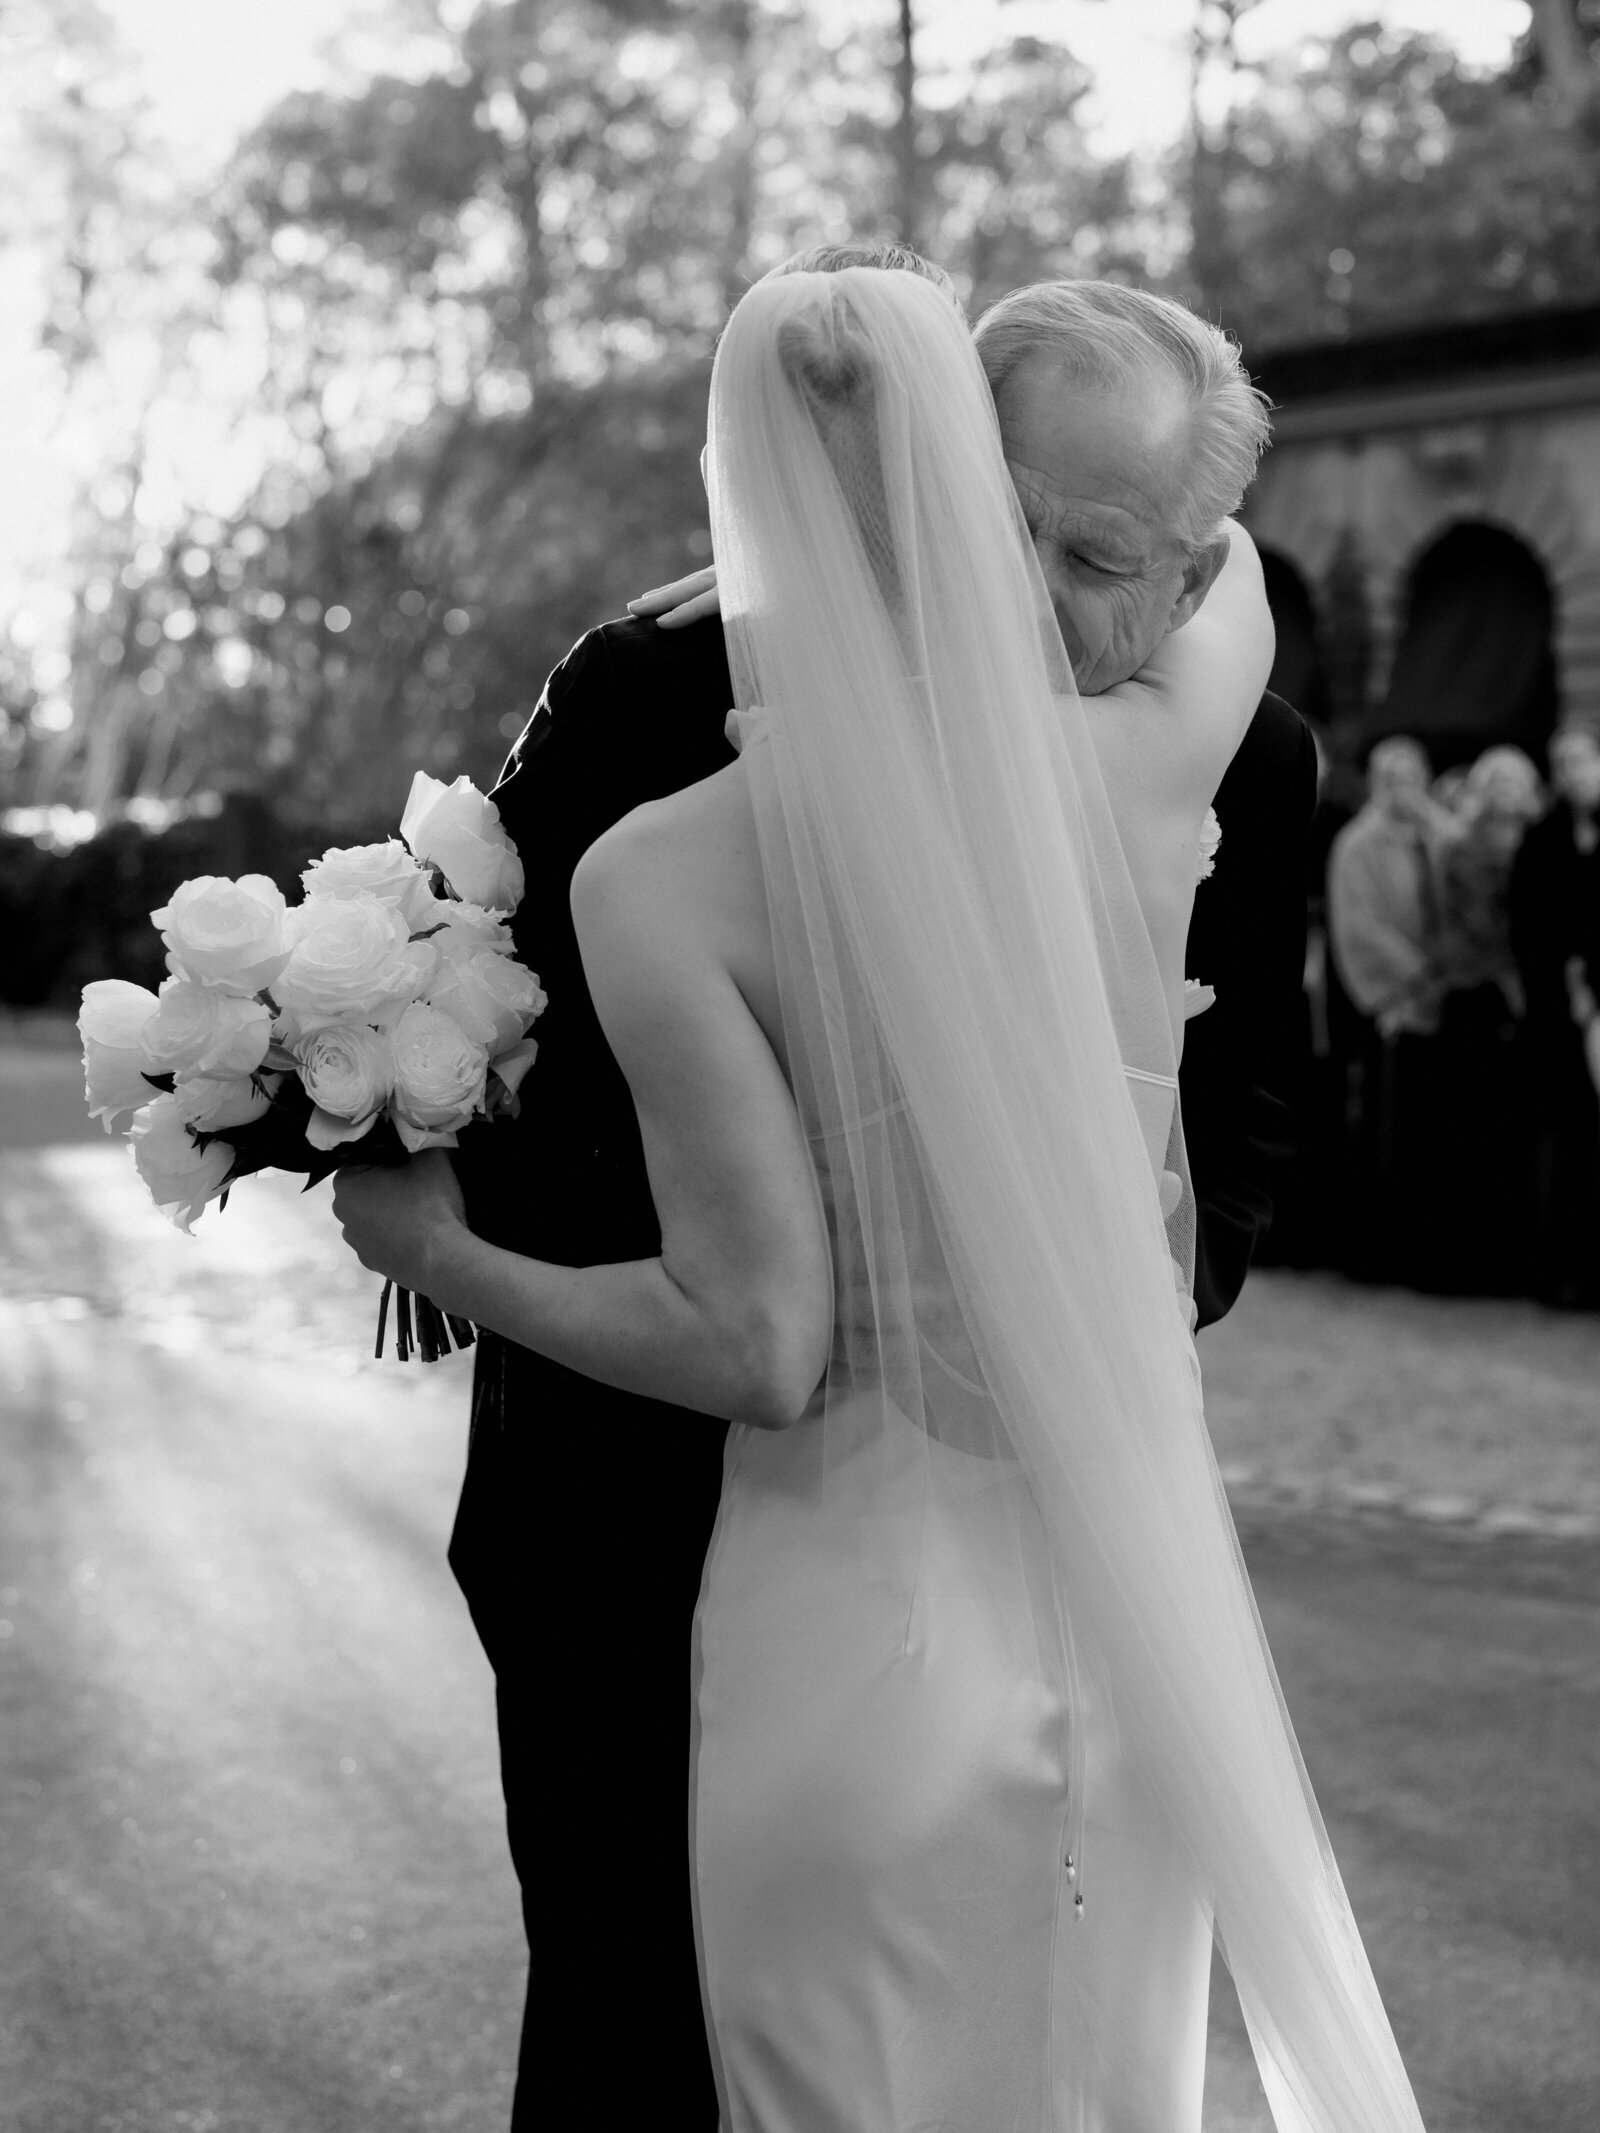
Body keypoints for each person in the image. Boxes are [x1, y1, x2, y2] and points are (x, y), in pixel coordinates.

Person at [333, 268, 1425, 2131]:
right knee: (625, 2014)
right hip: (625, 1489)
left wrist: (1115, 1272)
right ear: (912, 468)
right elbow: (500, 1035)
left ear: (1188, 570)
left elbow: (1247, 1118)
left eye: (1100, 559)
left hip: (1028, 1521)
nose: (1027, 593)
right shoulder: (649, 688)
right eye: (989, 515)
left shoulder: (1244, 760)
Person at [1510, 720, 1600, 1305]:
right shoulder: (1542, 837)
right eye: (1560, 763)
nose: (1569, 773)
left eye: (1579, 760)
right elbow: (1528, 924)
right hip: (1558, 1020)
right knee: (1567, 1146)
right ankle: (1565, 1274)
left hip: (1595, 1005)